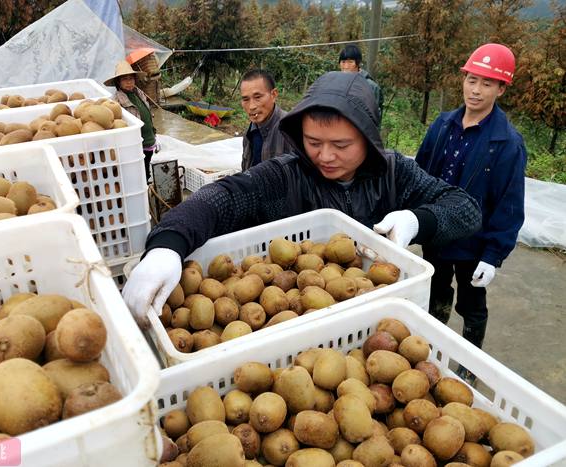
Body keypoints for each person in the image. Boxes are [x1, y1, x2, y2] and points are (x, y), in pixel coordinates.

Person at [122, 71, 482, 324]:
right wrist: (167, 245)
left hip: (373, 316)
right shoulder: (286, 175)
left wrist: (416, 220)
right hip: (297, 321)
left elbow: (465, 209)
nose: (325, 156)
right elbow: (223, 197)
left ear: (368, 140)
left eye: (341, 145)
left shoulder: (394, 173)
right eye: (313, 143)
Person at [415, 44, 527, 358]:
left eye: (486, 84)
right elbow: (419, 174)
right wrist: (411, 216)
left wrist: (493, 255)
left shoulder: (506, 143)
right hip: (437, 232)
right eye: (471, 80)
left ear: (501, 89)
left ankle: (469, 362)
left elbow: (509, 203)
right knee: (436, 291)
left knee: (472, 303)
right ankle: (431, 350)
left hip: (472, 243)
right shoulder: (442, 126)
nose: (475, 91)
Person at [104, 60, 157, 181]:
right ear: (118, 82)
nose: (129, 82)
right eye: (125, 79)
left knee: (146, 169)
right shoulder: (116, 101)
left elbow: (147, 113)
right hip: (137, 143)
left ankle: (146, 186)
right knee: (139, 173)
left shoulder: (139, 93)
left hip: (149, 140)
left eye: (131, 78)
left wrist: (153, 133)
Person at [240, 69, 295, 171]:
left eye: (258, 97)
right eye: (246, 99)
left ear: (273, 95)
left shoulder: (291, 129)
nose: (251, 106)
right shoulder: (250, 132)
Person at [339, 44, 384, 123]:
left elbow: (374, 117)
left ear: (358, 63)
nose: (346, 66)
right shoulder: (336, 83)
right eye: (343, 62)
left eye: (350, 62)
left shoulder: (371, 86)